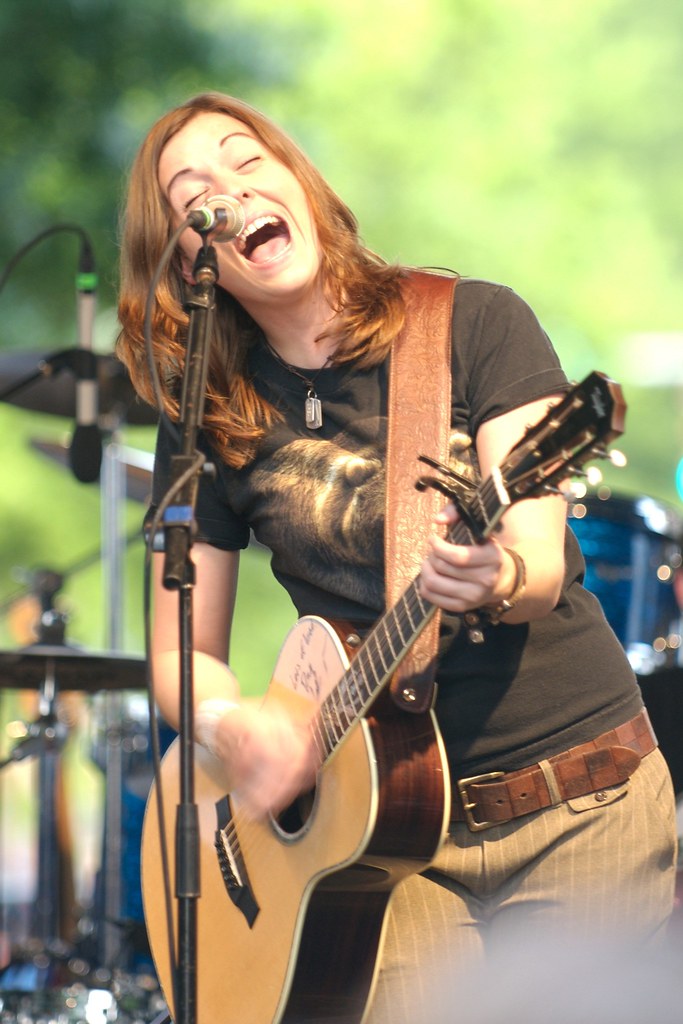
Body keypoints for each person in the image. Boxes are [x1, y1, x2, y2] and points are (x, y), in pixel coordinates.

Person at [116, 92, 677, 1022]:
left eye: (249, 160)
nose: (232, 189)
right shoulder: (212, 422)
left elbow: (534, 555)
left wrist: (493, 573)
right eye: (194, 195)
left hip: (575, 797)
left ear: (301, 182)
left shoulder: (472, 323)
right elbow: (181, 656)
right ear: (187, 259)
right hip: (377, 843)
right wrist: (233, 727)